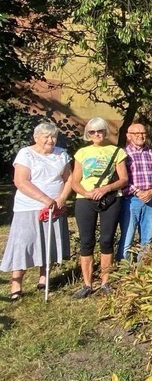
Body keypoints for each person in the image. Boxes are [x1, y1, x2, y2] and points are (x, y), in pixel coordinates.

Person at [1, 122, 72, 301]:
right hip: (29, 206)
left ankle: (44, 278)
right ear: (36, 138)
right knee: (24, 244)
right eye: (46, 137)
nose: (51, 140)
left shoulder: (61, 153)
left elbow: (69, 178)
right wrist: (45, 200)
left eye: (54, 136)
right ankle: (16, 284)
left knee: (50, 243)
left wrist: (62, 198)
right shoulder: (26, 153)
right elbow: (21, 181)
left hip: (55, 207)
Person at [72, 117, 129, 298]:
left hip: (110, 199)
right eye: (92, 132)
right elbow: (74, 181)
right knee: (86, 241)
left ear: (105, 132)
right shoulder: (82, 153)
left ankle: (105, 282)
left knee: (106, 240)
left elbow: (124, 179)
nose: (97, 135)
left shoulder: (116, 152)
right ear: (88, 134)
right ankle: (87, 284)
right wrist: (87, 193)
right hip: (85, 199)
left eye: (100, 131)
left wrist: (106, 188)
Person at [116, 123, 152, 262]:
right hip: (131, 200)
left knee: (147, 237)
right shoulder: (123, 154)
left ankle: (142, 268)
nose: (140, 136)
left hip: (151, 199)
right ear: (128, 136)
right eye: (136, 133)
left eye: (143, 133)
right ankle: (124, 268)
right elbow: (121, 179)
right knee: (127, 236)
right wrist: (137, 192)